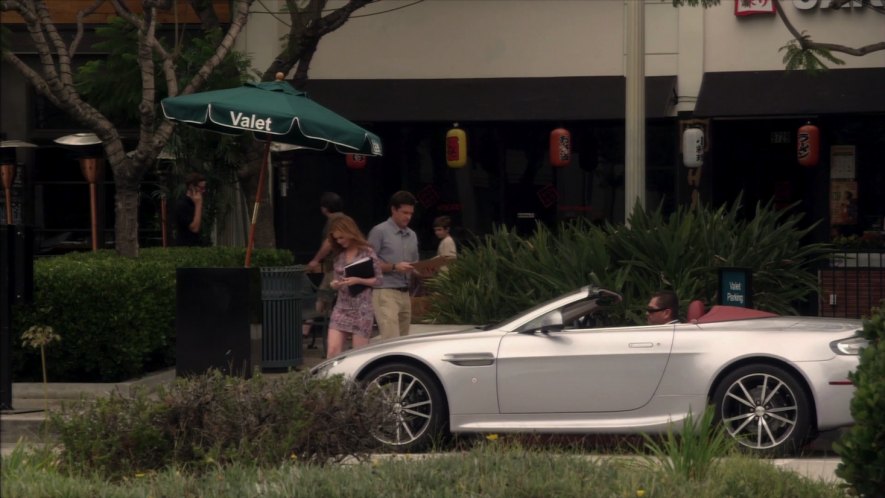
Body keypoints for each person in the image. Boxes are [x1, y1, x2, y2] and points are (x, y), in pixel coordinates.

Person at [326, 215, 382, 358]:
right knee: (332, 350)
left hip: (362, 309)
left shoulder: (367, 252)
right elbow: (336, 280)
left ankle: (355, 381)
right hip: (341, 307)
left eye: (341, 237)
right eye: (336, 239)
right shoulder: (339, 255)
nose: (339, 241)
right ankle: (331, 380)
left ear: (350, 233)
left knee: (359, 355)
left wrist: (358, 280)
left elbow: (379, 280)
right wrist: (335, 284)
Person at [368, 190, 419, 340]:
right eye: (404, 212)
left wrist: (425, 271)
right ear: (393, 209)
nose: (408, 217)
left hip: (405, 292)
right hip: (385, 291)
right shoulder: (379, 231)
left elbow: (414, 265)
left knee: (403, 341)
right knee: (391, 340)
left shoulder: (412, 235)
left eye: (411, 213)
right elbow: (368, 264)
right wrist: (394, 267)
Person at [303, 192, 344, 339]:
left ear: (324, 208)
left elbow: (328, 243)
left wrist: (316, 260)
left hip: (335, 266)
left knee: (323, 294)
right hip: (346, 265)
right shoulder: (346, 219)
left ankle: (306, 328)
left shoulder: (333, 221)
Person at [175, 173, 206, 247]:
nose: (203, 191)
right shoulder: (182, 205)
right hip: (185, 247)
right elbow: (194, 228)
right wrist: (198, 204)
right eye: (201, 188)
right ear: (191, 187)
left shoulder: (194, 203)